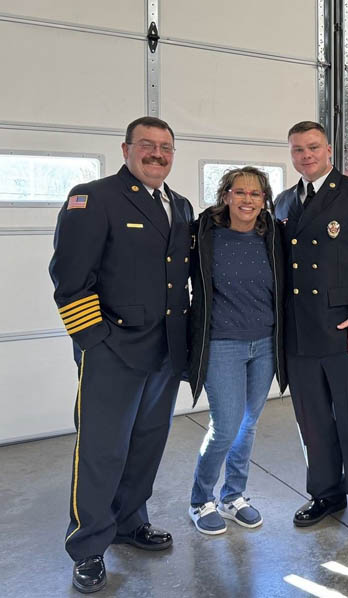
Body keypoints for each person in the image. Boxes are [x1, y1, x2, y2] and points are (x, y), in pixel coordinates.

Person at [49, 116, 193, 593]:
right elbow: (70, 279)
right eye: (147, 145)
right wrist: (94, 341)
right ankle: (88, 545)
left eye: (165, 147)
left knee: (146, 445)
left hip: (165, 351)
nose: (157, 154)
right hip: (113, 350)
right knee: (101, 450)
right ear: (126, 148)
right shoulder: (93, 198)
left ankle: (130, 522)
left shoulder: (181, 205)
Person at [278, 121, 348, 546]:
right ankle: (325, 494)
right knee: (313, 421)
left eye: (312, 147)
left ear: (329, 149)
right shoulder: (285, 200)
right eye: (297, 150)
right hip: (299, 332)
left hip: (345, 330)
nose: (306, 156)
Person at [186, 166, 286, 535]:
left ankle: (233, 496)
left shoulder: (274, 235)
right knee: (225, 426)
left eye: (255, 194)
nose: (247, 200)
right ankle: (200, 499)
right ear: (226, 195)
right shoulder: (203, 235)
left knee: (247, 425)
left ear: (265, 201)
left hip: (264, 343)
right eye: (239, 192)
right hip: (222, 343)